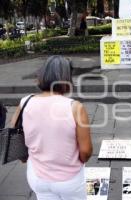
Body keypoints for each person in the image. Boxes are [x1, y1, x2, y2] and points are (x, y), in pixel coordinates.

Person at [11, 56, 93, 200]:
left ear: (42, 75)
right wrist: (76, 162)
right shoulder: (75, 107)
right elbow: (85, 151)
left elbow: (16, 136)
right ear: (66, 78)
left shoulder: (25, 102)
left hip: (37, 176)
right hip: (69, 179)